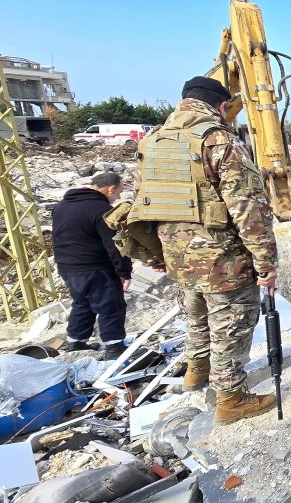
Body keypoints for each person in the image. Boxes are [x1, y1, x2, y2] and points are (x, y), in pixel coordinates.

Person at [133, 76, 279, 426]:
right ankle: (231, 398)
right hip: (221, 257)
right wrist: (266, 262)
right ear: (222, 107)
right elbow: (247, 207)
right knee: (230, 323)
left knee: (196, 316)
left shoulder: (153, 142)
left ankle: (196, 373)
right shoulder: (217, 140)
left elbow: (142, 205)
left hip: (177, 257)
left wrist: (155, 254)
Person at [52, 172, 132, 359]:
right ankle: (114, 347)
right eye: (118, 192)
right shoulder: (101, 210)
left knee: (82, 303)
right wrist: (124, 272)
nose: (118, 197)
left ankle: (76, 343)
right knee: (110, 305)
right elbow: (114, 245)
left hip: (66, 266)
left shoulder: (61, 206)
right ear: (110, 189)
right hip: (94, 267)